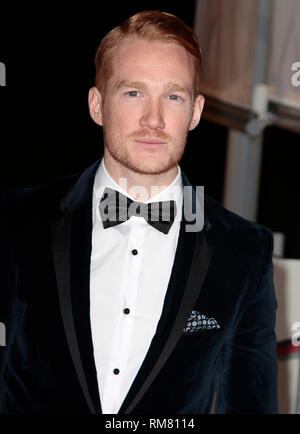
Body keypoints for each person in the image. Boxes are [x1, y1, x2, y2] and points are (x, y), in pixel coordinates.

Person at [0, 10, 278, 414]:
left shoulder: (244, 251)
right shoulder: (15, 221)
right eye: (133, 93)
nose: (154, 119)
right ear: (97, 105)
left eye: (173, 96)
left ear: (196, 111)